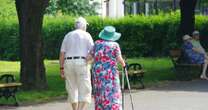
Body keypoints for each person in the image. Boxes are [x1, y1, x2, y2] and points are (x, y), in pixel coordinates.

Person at [59, 17, 94, 110]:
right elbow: (93, 50)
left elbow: (62, 53)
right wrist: (89, 58)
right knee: (85, 88)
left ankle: (75, 109)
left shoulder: (68, 35)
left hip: (68, 62)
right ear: (83, 26)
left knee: (71, 88)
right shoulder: (86, 35)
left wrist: (61, 68)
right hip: (82, 62)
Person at [88, 26, 125, 110]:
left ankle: (101, 107)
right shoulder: (115, 45)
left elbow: (89, 57)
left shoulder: (97, 43)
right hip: (110, 73)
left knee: (99, 90)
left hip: (98, 73)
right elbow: (119, 59)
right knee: (112, 90)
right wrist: (124, 64)